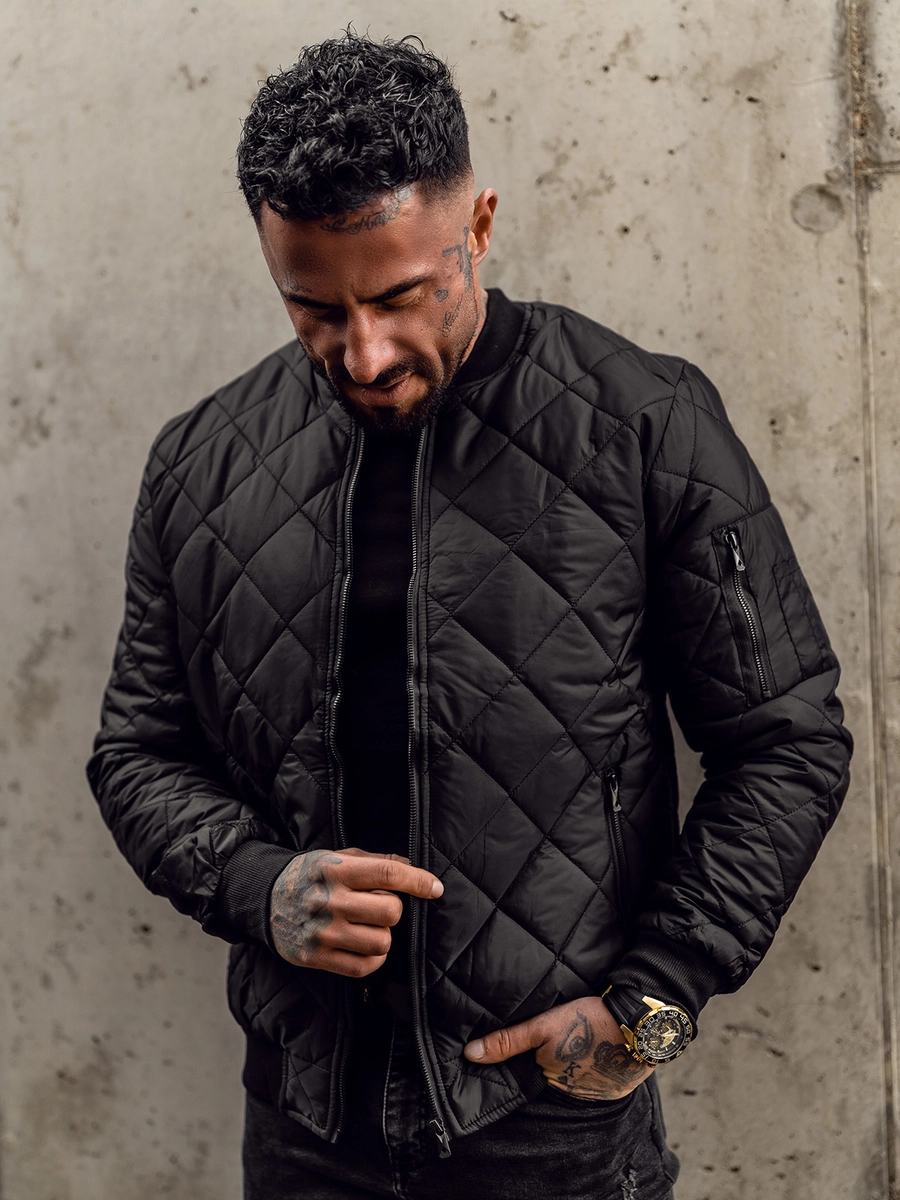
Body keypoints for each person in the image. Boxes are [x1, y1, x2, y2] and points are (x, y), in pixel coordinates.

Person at [87, 31, 852, 1200]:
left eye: (403, 296)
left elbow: (786, 744)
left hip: (550, 1125)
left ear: (479, 226)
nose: (366, 352)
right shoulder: (202, 463)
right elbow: (137, 752)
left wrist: (650, 1007)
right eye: (313, 308)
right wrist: (255, 885)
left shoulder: (643, 424)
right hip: (301, 1125)